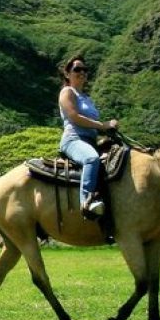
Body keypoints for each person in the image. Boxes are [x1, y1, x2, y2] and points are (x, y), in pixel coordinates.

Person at [58, 56, 118, 217]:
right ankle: (87, 202)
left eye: (85, 70)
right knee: (91, 159)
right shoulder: (67, 92)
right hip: (73, 139)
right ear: (67, 74)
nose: (82, 72)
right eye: (77, 69)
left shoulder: (87, 98)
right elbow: (74, 117)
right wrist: (103, 125)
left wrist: (108, 129)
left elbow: (93, 123)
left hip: (91, 140)